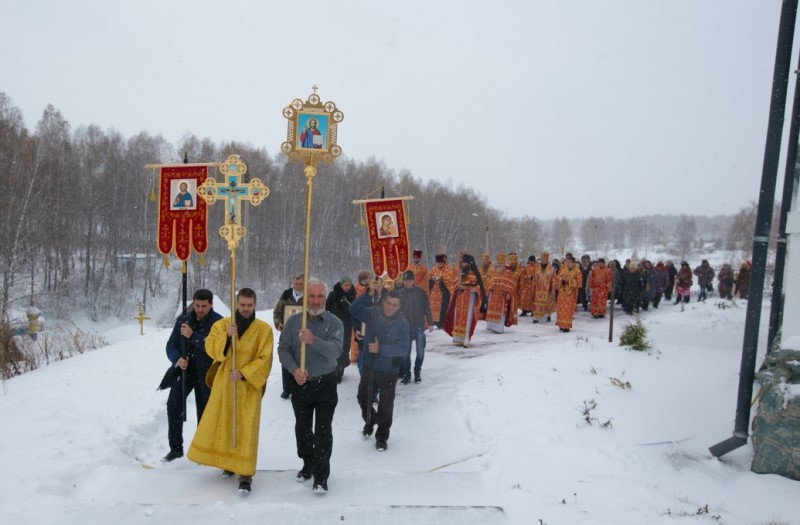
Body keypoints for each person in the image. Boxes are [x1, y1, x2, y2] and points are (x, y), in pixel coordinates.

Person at [187, 288, 273, 493]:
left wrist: (243, 372)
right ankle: (228, 463)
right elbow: (210, 347)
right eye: (242, 305)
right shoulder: (222, 325)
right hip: (225, 385)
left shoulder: (264, 330)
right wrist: (226, 336)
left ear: (255, 305)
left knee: (246, 428)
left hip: (248, 388)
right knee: (226, 424)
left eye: (249, 305)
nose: (245, 309)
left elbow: (265, 358)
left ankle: (245, 473)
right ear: (236, 304)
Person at [278, 278, 344, 494]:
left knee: (323, 431)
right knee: (303, 428)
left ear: (325, 297)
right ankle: (308, 464)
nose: (315, 301)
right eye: (312, 296)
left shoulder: (334, 323)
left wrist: (313, 340)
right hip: (301, 383)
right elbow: (283, 350)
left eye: (320, 296)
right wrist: (294, 370)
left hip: (325, 383)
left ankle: (321, 476)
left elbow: (336, 351)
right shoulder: (293, 322)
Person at [160, 289, 222, 462]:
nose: (200, 309)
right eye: (197, 305)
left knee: (205, 411)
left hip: (207, 373)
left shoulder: (218, 323)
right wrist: (177, 359)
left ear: (211, 304)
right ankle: (175, 449)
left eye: (204, 306)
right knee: (173, 405)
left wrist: (193, 335)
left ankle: (204, 450)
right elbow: (171, 345)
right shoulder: (184, 320)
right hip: (184, 371)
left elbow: (215, 349)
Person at [350, 287, 410, 452]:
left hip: (389, 370)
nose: (390, 307)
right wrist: (368, 294)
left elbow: (403, 348)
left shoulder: (403, 323)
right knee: (363, 397)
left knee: (386, 405)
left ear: (399, 307)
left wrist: (381, 349)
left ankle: (382, 436)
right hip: (369, 366)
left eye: (394, 305)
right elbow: (353, 309)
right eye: (388, 303)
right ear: (383, 302)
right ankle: (370, 420)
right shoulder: (372, 314)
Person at [397, 270, 433, 384]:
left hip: (419, 325)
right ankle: (407, 374)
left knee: (420, 351)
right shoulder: (399, 293)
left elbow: (426, 307)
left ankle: (417, 370)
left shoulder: (420, 292)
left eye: (410, 281)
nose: (408, 283)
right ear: (403, 282)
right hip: (405, 327)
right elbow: (395, 310)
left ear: (413, 281)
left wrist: (430, 322)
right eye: (406, 281)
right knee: (405, 352)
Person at [443, 253, 487, 347]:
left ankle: (466, 338)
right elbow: (454, 284)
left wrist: (465, 288)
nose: (462, 264)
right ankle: (458, 338)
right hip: (460, 299)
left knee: (467, 319)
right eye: (462, 263)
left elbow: (477, 288)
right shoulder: (461, 273)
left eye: (464, 263)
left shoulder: (473, 273)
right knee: (457, 317)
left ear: (469, 263)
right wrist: (457, 286)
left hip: (469, 300)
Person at [273, 273, 305, 399]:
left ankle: (300, 386)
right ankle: (287, 388)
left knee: (301, 360)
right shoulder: (286, 295)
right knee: (286, 359)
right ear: (293, 283)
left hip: (302, 335)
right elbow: (277, 313)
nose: (298, 286)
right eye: (296, 283)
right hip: (287, 334)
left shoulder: (309, 296)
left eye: (301, 284)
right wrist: (278, 324)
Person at [325, 276, 356, 383]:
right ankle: (333, 371)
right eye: (345, 285)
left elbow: (353, 310)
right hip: (333, 327)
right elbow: (327, 309)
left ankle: (340, 371)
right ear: (341, 285)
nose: (347, 287)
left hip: (346, 326)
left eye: (349, 285)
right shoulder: (333, 295)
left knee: (344, 350)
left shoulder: (352, 295)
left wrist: (345, 303)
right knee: (334, 348)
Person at [484, 253, 517, 333]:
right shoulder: (494, 271)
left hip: (502, 296)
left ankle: (498, 328)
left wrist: (509, 293)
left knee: (500, 312)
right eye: (498, 264)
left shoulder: (508, 272)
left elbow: (511, 284)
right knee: (492, 310)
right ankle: (491, 326)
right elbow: (491, 282)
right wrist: (489, 290)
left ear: (504, 264)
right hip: (494, 294)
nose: (499, 266)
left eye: (500, 264)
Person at [427, 254, 457, 328]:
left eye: (440, 263)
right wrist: (432, 279)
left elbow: (450, 280)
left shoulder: (449, 269)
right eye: (437, 263)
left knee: (443, 307)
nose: (439, 265)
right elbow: (428, 276)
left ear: (443, 262)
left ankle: (441, 323)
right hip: (434, 293)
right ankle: (433, 322)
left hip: (443, 292)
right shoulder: (434, 268)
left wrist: (441, 279)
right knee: (433, 307)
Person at [555, 255, 582, 332]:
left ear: (573, 263)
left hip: (570, 294)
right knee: (560, 309)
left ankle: (566, 326)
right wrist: (562, 280)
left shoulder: (578, 271)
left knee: (568, 310)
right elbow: (558, 278)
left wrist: (569, 281)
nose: (567, 264)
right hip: (562, 293)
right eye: (567, 262)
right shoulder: (563, 269)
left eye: (569, 262)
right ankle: (561, 325)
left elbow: (579, 283)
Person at [531, 252, 556, 323]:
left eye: (544, 260)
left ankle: (548, 316)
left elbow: (553, 280)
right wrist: (533, 287)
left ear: (547, 260)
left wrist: (552, 289)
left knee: (547, 304)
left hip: (547, 289)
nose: (542, 261)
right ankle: (536, 318)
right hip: (538, 289)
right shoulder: (537, 267)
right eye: (541, 259)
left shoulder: (551, 269)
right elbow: (534, 278)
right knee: (537, 304)